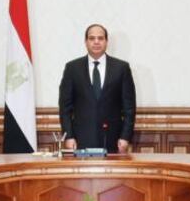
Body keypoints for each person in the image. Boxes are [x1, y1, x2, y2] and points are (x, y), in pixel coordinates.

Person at [58, 24, 136, 153]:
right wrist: (69, 136)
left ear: (106, 41)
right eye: (92, 38)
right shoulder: (72, 68)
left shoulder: (121, 68)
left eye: (100, 38)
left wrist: (125, 137)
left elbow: (129, 108)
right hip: (80, 141)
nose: (96, 42)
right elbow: (65, 108)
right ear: (86, 42)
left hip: (114, 140)